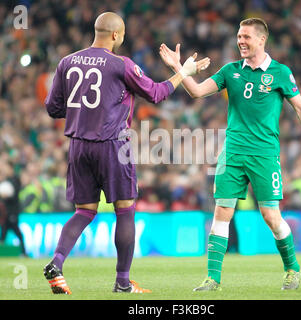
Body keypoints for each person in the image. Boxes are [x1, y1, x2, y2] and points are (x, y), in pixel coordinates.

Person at [43, 11, 210, 295]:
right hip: (112, 145)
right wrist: (184, 72)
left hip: (78, 146)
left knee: (84, 211)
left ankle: (57, 263)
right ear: (117, 35)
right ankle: (122, 282)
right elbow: (157, 93)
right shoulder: (121, 64)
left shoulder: (66, 62)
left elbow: (52, 108)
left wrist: (83, 112)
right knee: (125, 210)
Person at [159, 17, 301, 291]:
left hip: (264, 154)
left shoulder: (280, 73)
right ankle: (213, 278)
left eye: (246, 37)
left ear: (261, 39)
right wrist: (179, 67)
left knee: (271, 215)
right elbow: (198, 92)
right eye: (239, 36)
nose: (241, 41)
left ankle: (293, 269)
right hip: (232, 153)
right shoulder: (230, 71)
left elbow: (300, 108)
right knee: (222, 210)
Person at [0, 161, 27, 256]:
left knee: (17, 233)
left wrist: (6, 195)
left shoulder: (15, 180)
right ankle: (3, 252)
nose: (4, 170)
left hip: (13, 212)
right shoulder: (6, 180)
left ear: (11, 168)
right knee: (3, 233)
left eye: (6, 168)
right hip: (5, 213)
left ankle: (24, 253)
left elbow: (14, 195)